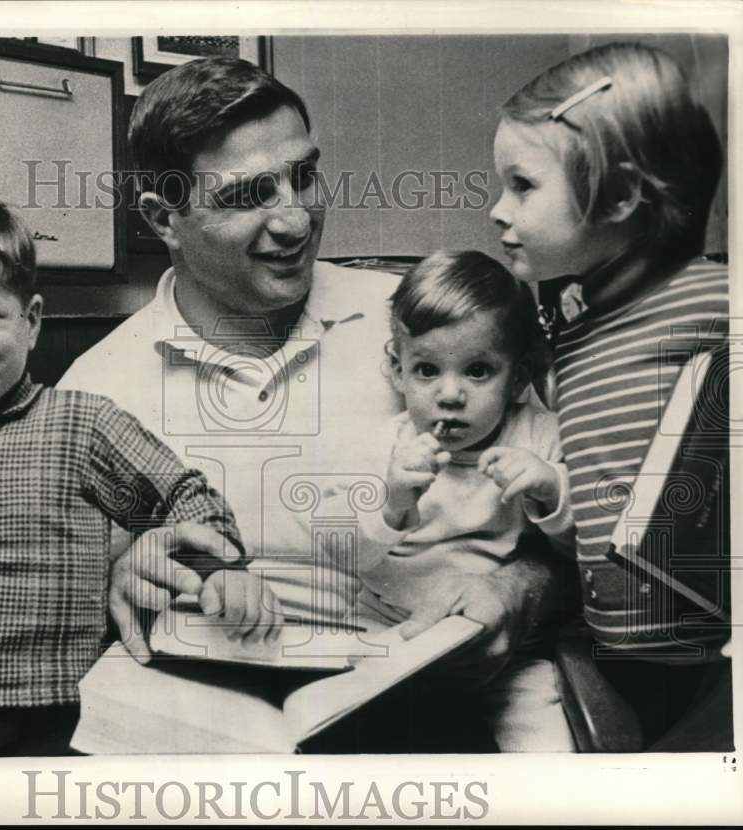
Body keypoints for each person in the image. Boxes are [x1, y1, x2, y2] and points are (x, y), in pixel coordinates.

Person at [58, 57, 578, 750]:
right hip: (208, 728)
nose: (297, 219)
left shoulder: (425, 331)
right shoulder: (94, 391)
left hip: (423, 707)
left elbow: (572, 529)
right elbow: (55, 606)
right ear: (165, 219)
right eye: (248, 196)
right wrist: (116, 573)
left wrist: (520, 590)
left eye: (303, 175)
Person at [0, 187, 280, 757]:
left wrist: (219, 570)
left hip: (61, 715)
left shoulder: (81, 425)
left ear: (32, 322)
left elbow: (180, 496)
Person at [490, 41, 731, 749]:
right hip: (612, 651)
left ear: (621, 196)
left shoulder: (713, 300)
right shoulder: (569, 329)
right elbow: (600, 507)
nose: (498, 210)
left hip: (711, 663)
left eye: (523, 185)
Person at [342, 250, 576, 751]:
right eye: (427, 370)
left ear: (518, 376)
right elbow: (350, 557)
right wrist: (393, 504)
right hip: (390, 629)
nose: (449, 396)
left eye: (477, 371)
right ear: (397, 370)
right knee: (365, 732)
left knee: (546, 737)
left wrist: (552, 490)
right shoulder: (385, 447)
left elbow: (584, 552)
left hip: (505, 647)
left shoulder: (539, 438)